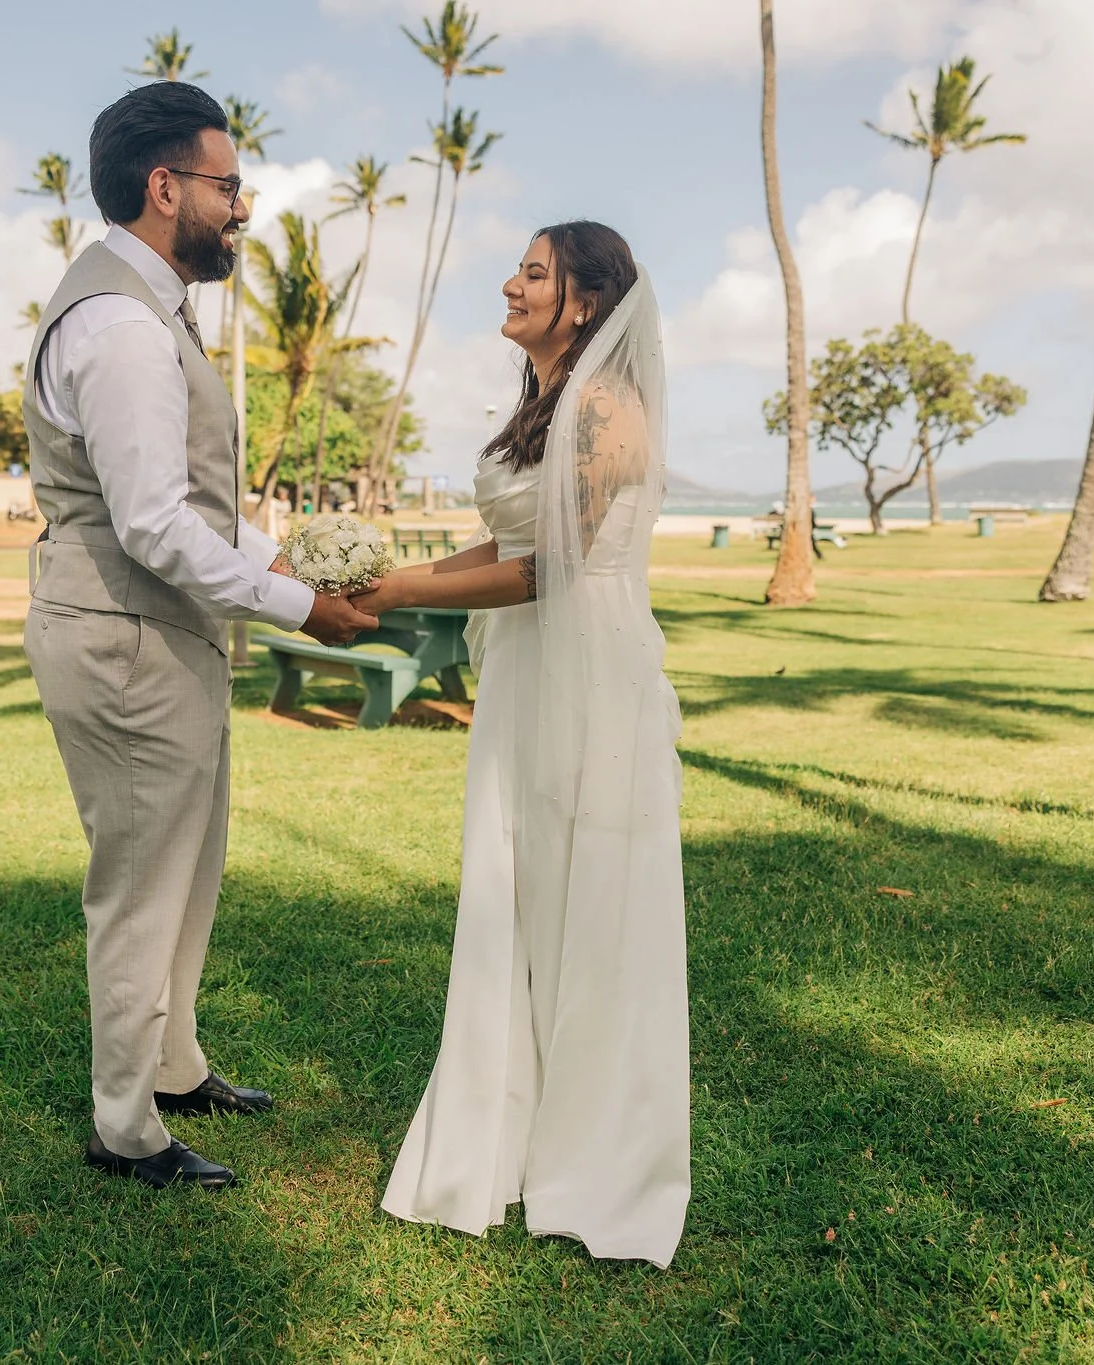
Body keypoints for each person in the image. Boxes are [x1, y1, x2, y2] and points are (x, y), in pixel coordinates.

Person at [20, 82, 379, 1190]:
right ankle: (125, 1129)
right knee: (138, 882)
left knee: (188, 865)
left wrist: (284, 555)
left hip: (157, 634)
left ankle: (172, 1064)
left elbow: (196, 509)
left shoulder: (150, 310)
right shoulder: (122, 327)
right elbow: (152, 525)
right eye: (227, 187)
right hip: (124, 636)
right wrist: (298, 607)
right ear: (162, 186)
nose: (241, 209)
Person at [352, 222, 690, 1266]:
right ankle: (505, 1124)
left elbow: (548, 569)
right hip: (525, 672)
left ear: (584, 303)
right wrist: (384, 572)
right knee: (514, 883)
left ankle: (598, 1156)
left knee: (589, 897)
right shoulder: (544, 409)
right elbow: (505, 542)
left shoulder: (603, 410)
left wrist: (400, 592)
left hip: (587, 671)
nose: (509, 281)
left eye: (533, 272)